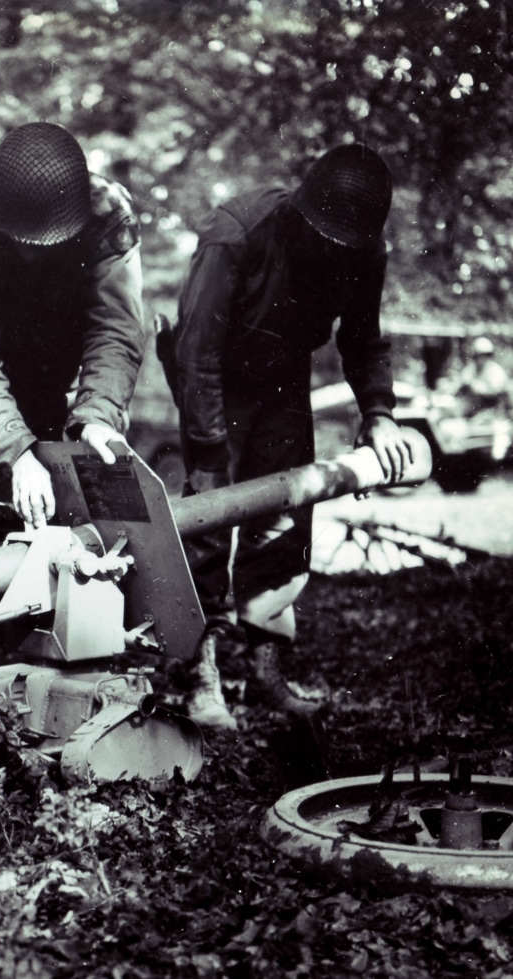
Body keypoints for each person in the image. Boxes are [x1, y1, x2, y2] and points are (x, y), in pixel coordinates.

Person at [164, 143, 413, 725]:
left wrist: (379, 413)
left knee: (287, 512)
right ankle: (200, 673)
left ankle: (265, 667)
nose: (332, 253)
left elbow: (363, 337)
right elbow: (197, 351)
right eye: (323, 239)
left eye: (343, 247)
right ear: (302, 215)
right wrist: (206, 452)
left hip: (282, 377)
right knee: (208, 517)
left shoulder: (364, 251)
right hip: (216, 375)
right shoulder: (237, 233)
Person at [0, 121, 145, 525]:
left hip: (62, 369)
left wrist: (98, 416)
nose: (29, 254)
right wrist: (17, 451)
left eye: (43, 242)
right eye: (17, 239)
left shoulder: (108, 218)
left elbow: (115, 329)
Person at [453, 336, 511, 413]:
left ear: (489, 356)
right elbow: (462, 380)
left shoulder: (496, 371)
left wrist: (474, 385)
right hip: (474, 408)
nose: (480, 359)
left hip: (493, 410)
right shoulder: (472, 368)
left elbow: (494, 392)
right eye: (477, 356)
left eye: (485, 356)